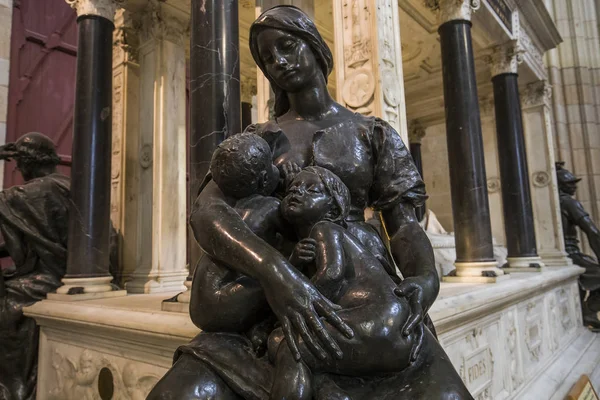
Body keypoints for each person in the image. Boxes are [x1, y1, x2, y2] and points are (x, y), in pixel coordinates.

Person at [148, 6, 470, 399]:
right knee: (179, 394)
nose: (279, 62)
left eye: (287, 46)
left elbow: (403, 225)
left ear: (315, 46)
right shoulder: (259, 137)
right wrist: (273, 271)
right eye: (268, 58)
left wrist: (425, 277)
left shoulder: (371, 133)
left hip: (364, 295)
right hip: (271, 301)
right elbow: (207, 212)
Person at [271, 166, 421, 399]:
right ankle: (332, 392)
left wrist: (298, 304)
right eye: (293, 188)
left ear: (333, 207)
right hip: (388, 324)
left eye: (311, 190)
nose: (297, 193)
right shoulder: (311, 239)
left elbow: (332, 275)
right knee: (277, 339)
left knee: (293, 349)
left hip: (380, 319)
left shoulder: (325, 229)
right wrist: (294, 262)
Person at [0, 132, 70, 400]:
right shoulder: (63, 184)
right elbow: (38, 239)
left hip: (47, 278)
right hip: (63, 273)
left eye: (18, 164)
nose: (17, 170)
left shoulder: (32, 192)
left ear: (27, 162)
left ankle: (15, 387)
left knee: (8, 308)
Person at [556, 162, 600, 330]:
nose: (574, 186)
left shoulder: (557, 202)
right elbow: (592, 231)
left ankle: (588, 312)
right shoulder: (569, 203)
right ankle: (588, 311)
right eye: (569, 183)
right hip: (570, 255)